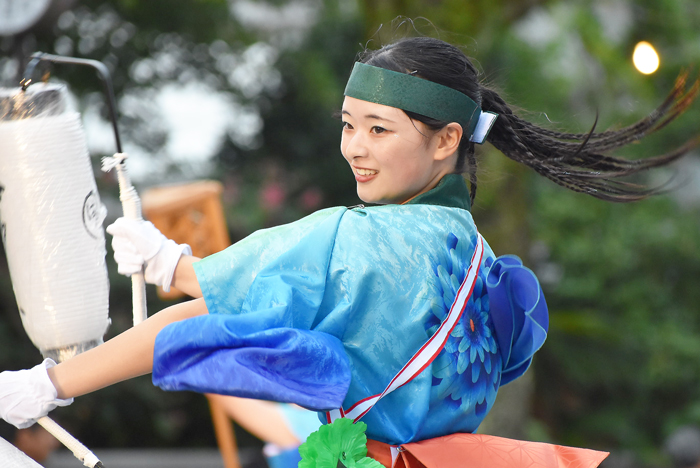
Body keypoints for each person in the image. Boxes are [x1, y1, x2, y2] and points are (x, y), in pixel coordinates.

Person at [0, 35, 696, 468]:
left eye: (378, 129)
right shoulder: (487, 264)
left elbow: (199, 303)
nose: (354, 148)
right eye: (348, 125)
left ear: (447, 140)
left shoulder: (362, 241)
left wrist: (51, 384)